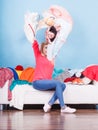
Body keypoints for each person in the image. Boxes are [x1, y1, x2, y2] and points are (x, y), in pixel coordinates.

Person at [32, 39, 76, 113]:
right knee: (58, 83)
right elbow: (34, 45)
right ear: (42, 48)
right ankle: (63, 107)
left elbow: (57, 47)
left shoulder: (51, 59)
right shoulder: (39, 56)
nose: (47, 50)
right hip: (37, 82)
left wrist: (60, 40)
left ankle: (49, 104)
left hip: (46, 83)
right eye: (45, 48)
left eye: (48, 48)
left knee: (63, 85)